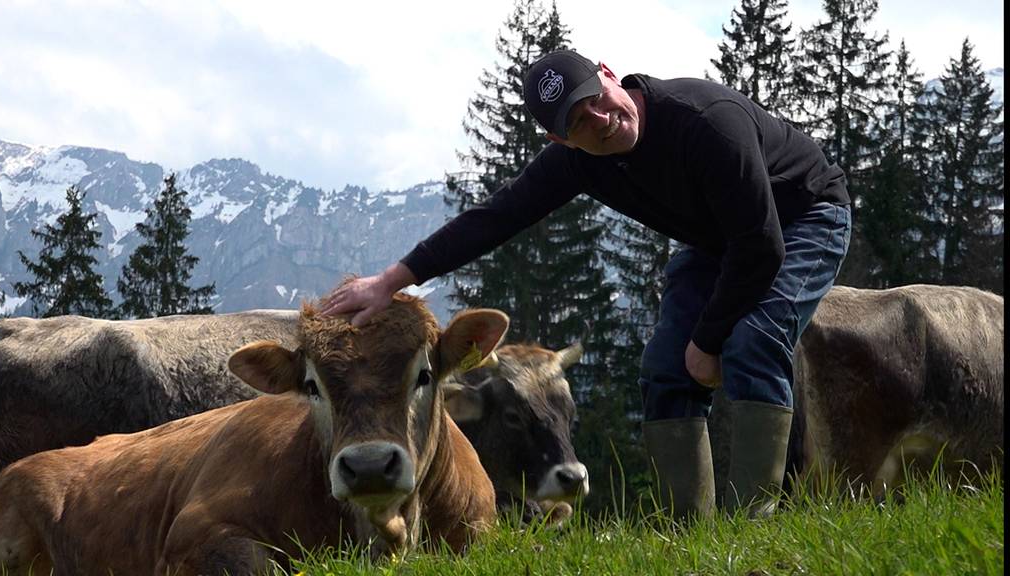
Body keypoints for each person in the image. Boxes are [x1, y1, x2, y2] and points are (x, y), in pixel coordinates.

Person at [321, 50, 851, 520]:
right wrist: (391, 280)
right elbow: (497, 216)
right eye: (578, 121)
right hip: (719, 241)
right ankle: (695, 529)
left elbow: (760, 247)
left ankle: (754, 524)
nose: (601, 119)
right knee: (664, 368)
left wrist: (707, 341)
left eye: (596, 99)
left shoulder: (709, 123)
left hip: (804, 218)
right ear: (560, 139)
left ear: (609, 74)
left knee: (754, 340)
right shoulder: (578, 162)